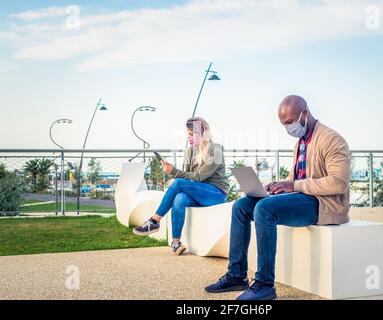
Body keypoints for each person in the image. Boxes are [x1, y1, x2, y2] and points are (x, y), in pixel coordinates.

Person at [205, 95, 351, 300]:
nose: (288, 128)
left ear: (305, 114)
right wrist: (279, 186)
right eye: (283, 124)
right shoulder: (300, 142)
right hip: (305, 197)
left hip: (327, 204)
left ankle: (265, 284)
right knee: (241, 206)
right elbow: (298, 178)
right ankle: (237, 275)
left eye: (290, 122)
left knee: (265, 209)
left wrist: (294, 185)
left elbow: (339, 183)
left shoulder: (332, 140)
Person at [133, 117, 230, 256]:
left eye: (191, 134)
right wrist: (174, 173)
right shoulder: (190, 151)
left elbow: (199, 177)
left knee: (178, 183)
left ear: (202, 133)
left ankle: (154, 221)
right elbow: (189, 177)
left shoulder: (217, 150)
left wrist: (174, 173)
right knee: (180, 198)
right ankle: (176, 242)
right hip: (198, 192)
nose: (189, 138)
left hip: (216, 194)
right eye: (188, 134)